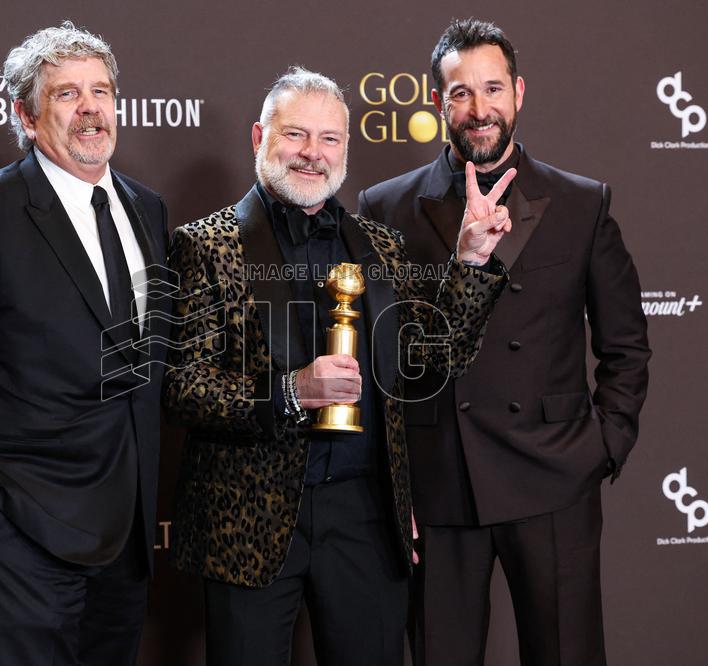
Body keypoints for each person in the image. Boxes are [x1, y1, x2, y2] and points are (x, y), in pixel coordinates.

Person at [164, 66, 510, 666]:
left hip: (365, 515)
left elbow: (428, 366)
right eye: (296, 134)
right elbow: (183, 387)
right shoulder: (205, 243)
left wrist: (471, 263)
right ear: (258, 137)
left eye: (329, 139)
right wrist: (291, 391)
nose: (311, 154)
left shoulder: (380, 245)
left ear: (346, 149)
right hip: (250, 520)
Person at [358, 18, 651, 666]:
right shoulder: (387, 208)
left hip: (552, 478)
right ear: (438, 103)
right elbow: (385, 361)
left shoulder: (582, 203)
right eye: (461, 92)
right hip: (442, 486)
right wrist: (397, 485)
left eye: (493, 89)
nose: (479, 108)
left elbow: (626, 344)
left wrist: (604, 444)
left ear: (519, 92)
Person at [0, 21, 169, 666]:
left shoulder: (146, 208)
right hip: (21, 528)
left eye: (100, 91)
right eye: (67, 95)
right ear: (24, 114)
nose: (90, 109)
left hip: (126, 532)